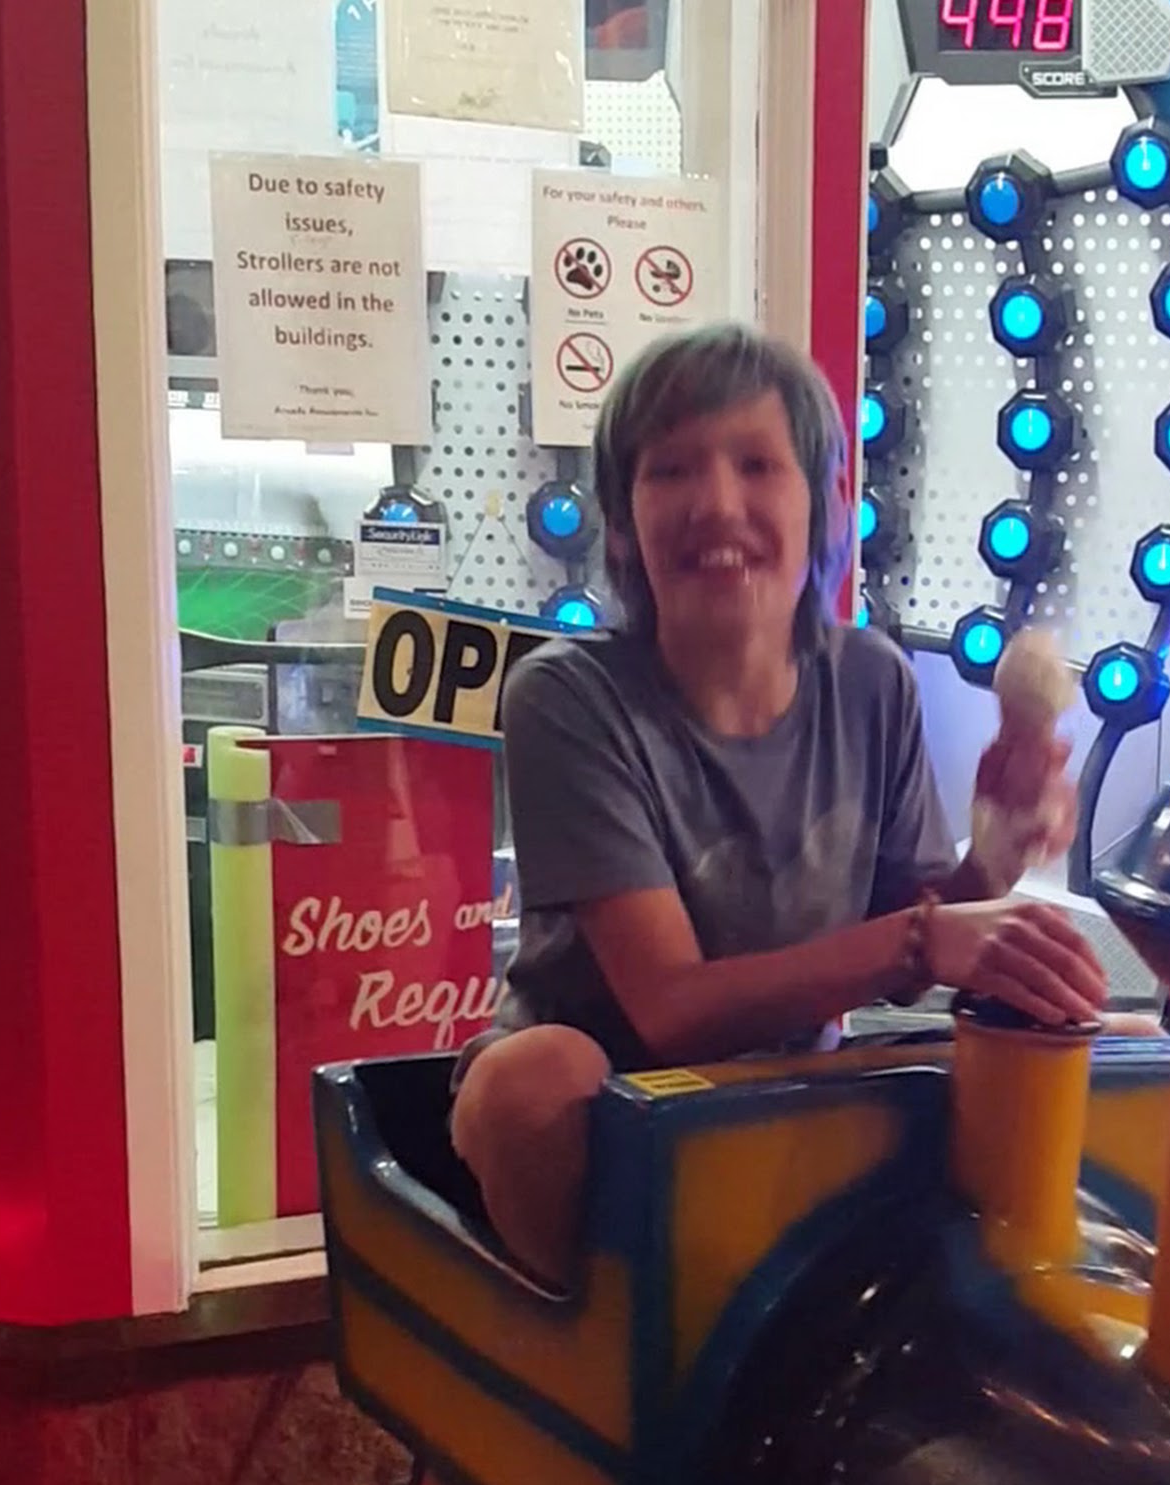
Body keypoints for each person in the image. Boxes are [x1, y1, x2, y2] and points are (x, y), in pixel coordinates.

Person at [451, 322, 1109, 1285]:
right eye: (672, 470)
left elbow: (904, 950)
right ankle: (593, 1355)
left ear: (826, 506)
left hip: (796, 1091)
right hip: (611, 1103)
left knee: (1119, 1046)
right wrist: (930, 937)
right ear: (622, 523)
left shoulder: (873, 680)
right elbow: (671, 1008)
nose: (718, 505)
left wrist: (994, 860)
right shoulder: (566, 698)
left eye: (757, 466)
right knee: (529, 1081)